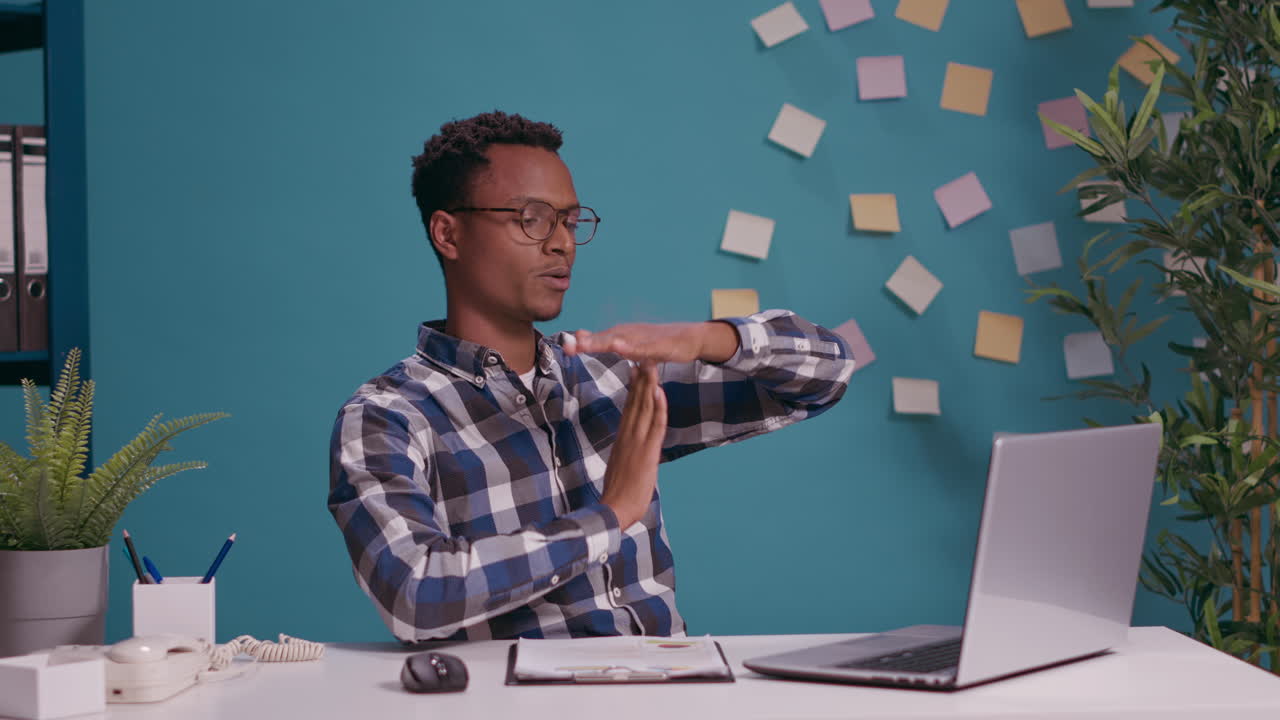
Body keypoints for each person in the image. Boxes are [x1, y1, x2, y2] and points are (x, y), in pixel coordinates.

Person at [328, 110, 856, 642]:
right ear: (449, 233)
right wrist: (610, 515)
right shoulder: (387, 416)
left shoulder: (615, 379)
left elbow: (826, 373)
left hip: (666, 691)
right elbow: (415, 593)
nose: (561, 243)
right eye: (532, 218)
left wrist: (706, 339)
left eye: (570, 221)